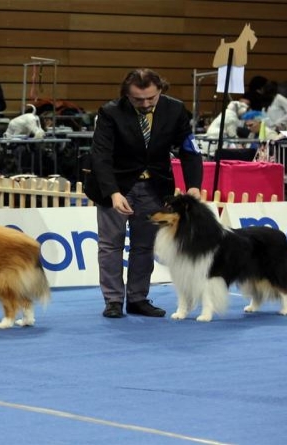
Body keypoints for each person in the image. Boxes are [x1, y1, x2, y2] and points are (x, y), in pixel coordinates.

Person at [85, 68, 203, 319]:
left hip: (155, 188)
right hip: (116, 186)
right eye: (138, 100)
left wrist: (194, 185)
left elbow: (189, 150)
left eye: (152, 98)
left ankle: (138, 298)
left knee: (145, 245)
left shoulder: (175, 110)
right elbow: (101, 157)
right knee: (110, 245)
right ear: (126, 95)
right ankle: (113, 300)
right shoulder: (110, 112)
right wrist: (114, 193)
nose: (146, 104)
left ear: (161, 90)